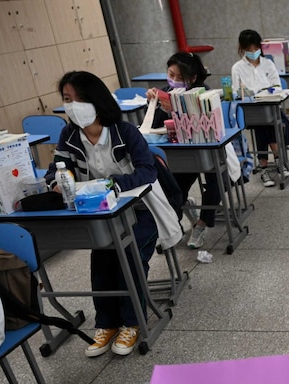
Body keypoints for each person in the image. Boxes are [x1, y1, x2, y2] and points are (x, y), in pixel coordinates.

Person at [45, 71, 170, 356]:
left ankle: (132, 321)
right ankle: (107, 323)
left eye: (79, 98)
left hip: (141, 208)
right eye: (67, 99)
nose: (73, 105)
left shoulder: (124, 131)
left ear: (96, 100)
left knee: (128, 255)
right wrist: (56, 182)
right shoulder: (69, 135)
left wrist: (111, 185)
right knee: (101, 258)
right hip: (100, 214)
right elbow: (57, 169)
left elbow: (147, 171)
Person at [146, 52, 221, 249]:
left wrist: (178, 110)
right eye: (171, 75)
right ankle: (172, 225)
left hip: (205, 149)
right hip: (177, 151)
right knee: (172, 185)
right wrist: (154, 105)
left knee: (216, 180)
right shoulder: (165, 92)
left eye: (180, 77)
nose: (174, 81)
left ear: (193, 78)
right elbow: (154, 128)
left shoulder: (204, 94)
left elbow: (206, 127)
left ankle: (202, 224)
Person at [231, 29, 289, 187]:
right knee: (263, 124)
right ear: (242, 49)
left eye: (255, 49)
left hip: (269, 107)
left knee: (266, 123)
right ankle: (278, 161)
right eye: (249, 50)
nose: (253, 52)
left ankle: (264, 166)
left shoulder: (268, 64)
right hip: (250, 111)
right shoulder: (237, 68)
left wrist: (269, 92)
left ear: (260, 47)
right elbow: (236, 91)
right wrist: (248, 94)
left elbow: (277, 85)